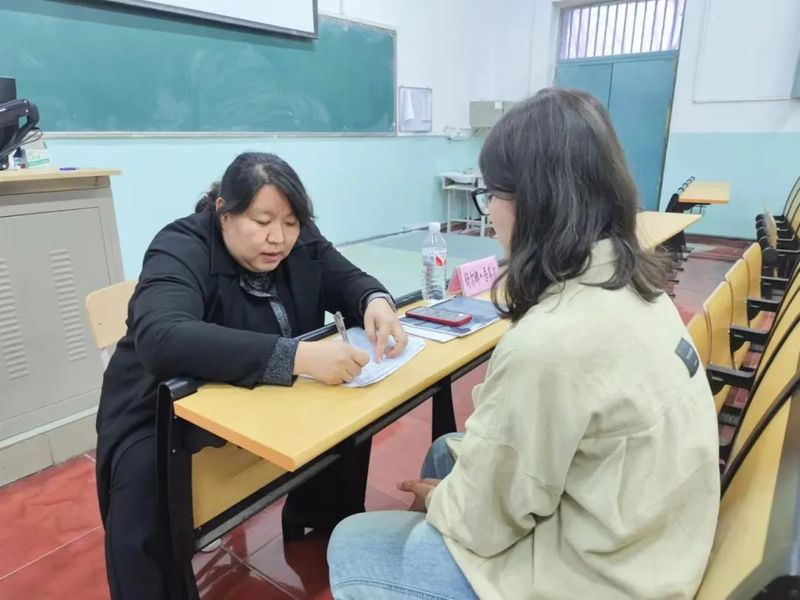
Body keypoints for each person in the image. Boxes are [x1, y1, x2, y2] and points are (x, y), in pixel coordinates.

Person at [327, 88, 720, 599]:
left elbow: (482, 523)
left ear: (536, 202)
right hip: (655, 538)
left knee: (351, 542)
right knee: (446, 452)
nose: (489, 211)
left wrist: (443, 502)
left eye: (493, 194)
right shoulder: (637, 285)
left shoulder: (552, 342)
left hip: (605, 580)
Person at [96, 151, 408, 599]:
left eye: (290, 223)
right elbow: (163, 338)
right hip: (162, 408)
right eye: (261, 221)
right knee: (145, 486)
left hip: (255, 391)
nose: (277, 238)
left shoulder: (299, 238)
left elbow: (346, 278)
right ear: (224, 211)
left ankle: (321, 521)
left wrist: (375, 300)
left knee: (348, 417)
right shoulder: (180, 246)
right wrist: (299, 357)